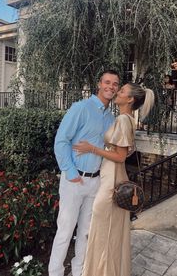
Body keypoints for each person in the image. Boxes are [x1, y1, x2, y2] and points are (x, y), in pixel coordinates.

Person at [73, 83, 155, 276]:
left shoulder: (123, 120)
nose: (117, 92)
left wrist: (91, 149)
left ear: (130, 99)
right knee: (105, 229)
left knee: (103, 228)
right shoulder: (123, 119)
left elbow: (120, 156)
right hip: (110, 175)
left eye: (122, 91)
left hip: (112, 179)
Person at [48, 70, 120, 276]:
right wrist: (71, 173)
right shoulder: (81, 108)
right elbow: (61, 140)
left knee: (86, 232)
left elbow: (111, 148)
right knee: (65, 230)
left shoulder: (111, 117)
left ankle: (79, 270)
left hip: (95, 181)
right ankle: (55, 272)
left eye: (115, 84)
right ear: (99, 84)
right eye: (107, 82)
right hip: (75, 180)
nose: (111, 87)